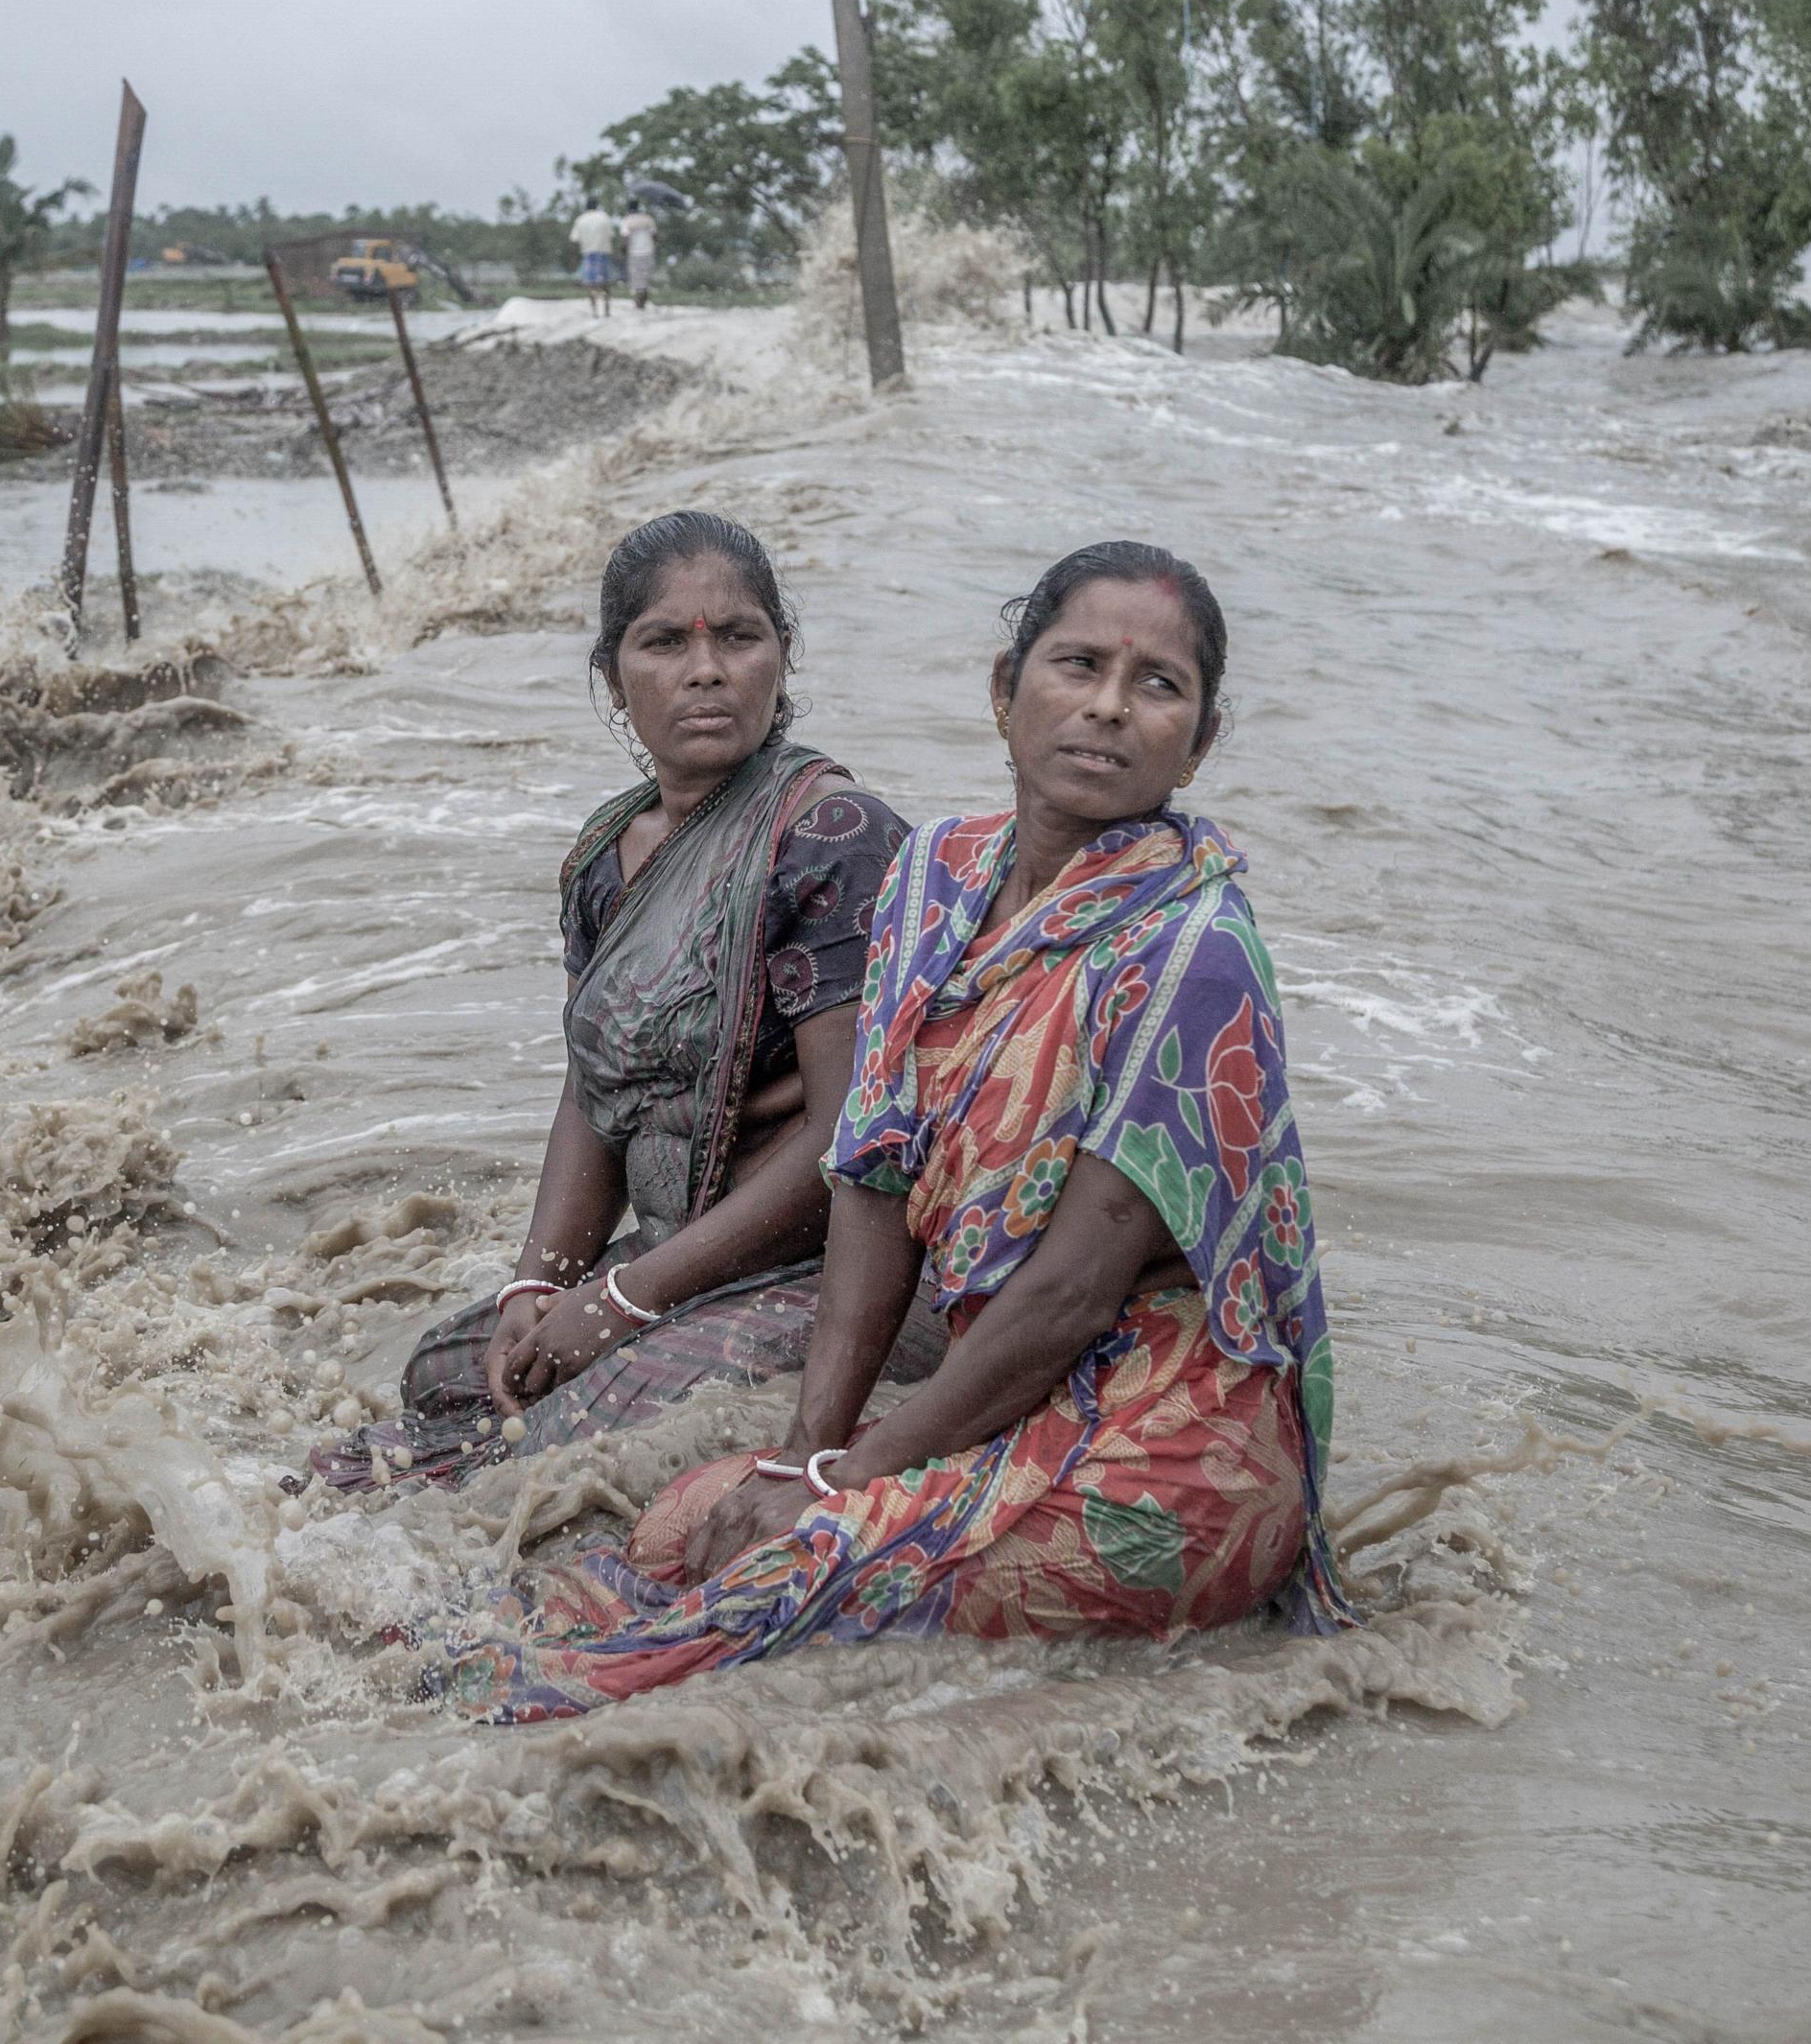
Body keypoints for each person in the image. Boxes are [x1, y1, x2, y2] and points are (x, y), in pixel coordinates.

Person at [433, 542, 1349, 1720]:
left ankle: (486, 1746)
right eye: (1078, 665)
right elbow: (868, 1172)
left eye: (1158, 684)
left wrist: (847, 1476)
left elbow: (1069, 1294)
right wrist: (806, 1450)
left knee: (770, 1584)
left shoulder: (1192, 951)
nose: (1110, 706)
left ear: (1201, 739)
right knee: (682, 1524)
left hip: (1166, 1453)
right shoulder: (936, 875)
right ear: (1004, 688)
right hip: (1006, 1401)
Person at [316, 511, 931, 1492]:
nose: (707, 669)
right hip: (681, 1254)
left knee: (562, 1432)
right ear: (613, 678)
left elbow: (847, 1141)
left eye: (738, 636)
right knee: (445, 1372)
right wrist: (544, 1280)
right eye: (664, 642)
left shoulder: (834, 840)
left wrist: (626, 1301)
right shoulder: (608, 857)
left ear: (781, 656)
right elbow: (590, 1092)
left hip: (829, 1272)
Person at [570, 200, 621, 320]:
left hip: (588, 254)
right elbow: (611, 235)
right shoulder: (604, 217)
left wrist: (574, 256)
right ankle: (607, 311)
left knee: (591, 284)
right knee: (605, 283)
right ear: (597, 206)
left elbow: (574, 239)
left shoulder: (581, 220)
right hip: (603, 252)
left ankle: (595, 312)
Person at [621, 202, 661, 311]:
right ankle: (643, 301)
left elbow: (626, 237)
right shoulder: (648, 219)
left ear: (629, 209)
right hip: (648, 251)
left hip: (634, 252)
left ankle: (638, 302)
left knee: (636, 278)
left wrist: (624, 249)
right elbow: (655, 236)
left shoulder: (627, 220)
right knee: (646, 276)